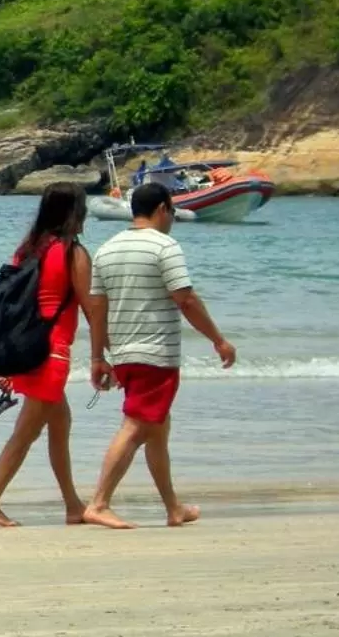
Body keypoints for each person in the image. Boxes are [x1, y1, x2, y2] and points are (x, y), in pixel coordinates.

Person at [82, 181, 236, 528]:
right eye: (172, 213)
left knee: (158, 428)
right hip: (155, 352)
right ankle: (99, 502)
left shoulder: (106, 249)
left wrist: (97, 358)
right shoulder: (165, 246)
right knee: (137, 426)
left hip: (123, 353)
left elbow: (96, 308)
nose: (173, 220)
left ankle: (173, 508)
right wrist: (218, 340)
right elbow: (186, 299)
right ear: (163, 209)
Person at [0, 184, 94, 527]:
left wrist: (8, 360)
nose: (85, 216)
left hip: (26, 348)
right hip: (51, 353)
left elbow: (11, 306)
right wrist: (104, 352)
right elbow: (91, 305)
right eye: (81, 209)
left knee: (60, 423)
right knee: (25, 433)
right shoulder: (72, 252)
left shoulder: (27, 250)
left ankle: (73, 505)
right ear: (72, 213)